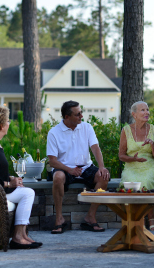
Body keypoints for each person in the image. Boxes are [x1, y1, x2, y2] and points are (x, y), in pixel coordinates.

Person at [0, 105, 41, 249]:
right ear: (1, 126)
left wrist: (10, 178)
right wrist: (9, 184)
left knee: (26, 192)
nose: (9, 124)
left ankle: (22, 235)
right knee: (28, 193)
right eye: (7, 121)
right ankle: (18, 237)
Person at [47, 100, 110, 234]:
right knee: (57, 177)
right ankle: (59, 219)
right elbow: (52, 161)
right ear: (67, 117)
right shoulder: (54, 132)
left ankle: (90, 217)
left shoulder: (87, 127)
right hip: (64, 168)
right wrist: (70, 170)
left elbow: (95, 148)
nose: (82, 116)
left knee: (103, 176)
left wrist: (102, 167)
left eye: (81, 112)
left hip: (86, 167)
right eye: (78, 114)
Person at [118, 101, 154, 231]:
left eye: (147, 109)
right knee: (131, 181)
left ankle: (148, 217)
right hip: (132, 166)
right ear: (134, 114)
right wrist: (133, 159)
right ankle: (144, 217)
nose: (147, 112)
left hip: (150, 166)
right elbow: (121, 155)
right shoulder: (126, 130)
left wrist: (152, 144)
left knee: (146, 181)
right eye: (142, 110)